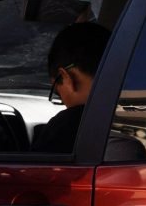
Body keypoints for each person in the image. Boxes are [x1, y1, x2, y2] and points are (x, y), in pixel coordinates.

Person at [32, 21, 110, 153]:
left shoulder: (69, 125)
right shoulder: (132, 117)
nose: (64, 103)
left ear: (66, 77)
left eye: (58, 93)